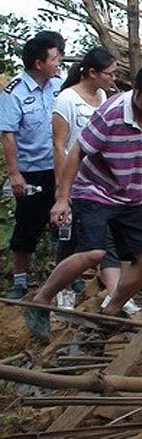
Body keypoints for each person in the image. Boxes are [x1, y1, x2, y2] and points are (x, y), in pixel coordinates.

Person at [27, 65, 142, 340]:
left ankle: (112, 309)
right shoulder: (111, 113)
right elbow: (77, 152)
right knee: (94, 252)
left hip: (130, 196)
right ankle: (41, 300)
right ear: (136, 89)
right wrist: (62, 199)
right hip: (94, 190)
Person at [51, 47, 140, 314]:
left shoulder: (102, 96)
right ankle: (63, 290)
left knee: (108, 234)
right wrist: (61, 188)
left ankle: (115, 293)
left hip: (99, 180)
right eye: (110, 73)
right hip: (74, 178)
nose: (113, 79)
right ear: (92, 73)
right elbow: (59, 145)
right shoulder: (66, 100)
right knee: (70, 236)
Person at [0, 31, 65, 299]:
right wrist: (15, 174)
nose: (59, 63)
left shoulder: (60, 86)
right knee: (28, 224)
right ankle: (20, 280)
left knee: (63, 223)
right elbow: (8, 134)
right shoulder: (14, 93)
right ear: (39, 63)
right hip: (32, 170)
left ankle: (66, 277)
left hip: (60, 168)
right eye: (55, 58)